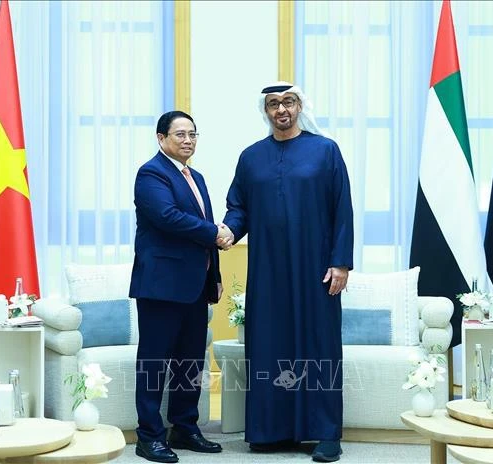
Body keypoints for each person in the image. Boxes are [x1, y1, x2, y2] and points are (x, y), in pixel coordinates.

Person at [219, 82, 354, 463]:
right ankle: (270, 430)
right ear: (265, 111)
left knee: (320, 345)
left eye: (288, 102)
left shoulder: (325, 150)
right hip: (267, 269)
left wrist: (340, 261)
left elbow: (342, 209)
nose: (281, 110)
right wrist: (228, 229)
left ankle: (326, 433)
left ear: (300, 107)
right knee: (268, 344)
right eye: (274, 104)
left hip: (316, 269)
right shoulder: (250, 157)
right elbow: (239, 207)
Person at [130, 111, 230, 463]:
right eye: (179, 134)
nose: (187, 140)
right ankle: (149, 436)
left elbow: (200, 229)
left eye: (192, 134)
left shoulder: (196, 177)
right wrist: (216, 233)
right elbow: (167, 217)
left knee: (191, 362)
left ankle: (185, 428)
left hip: (194, 286)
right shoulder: (152, 173)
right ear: (161, 138)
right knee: (155, 363)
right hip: (160, 286)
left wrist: (214, 276)